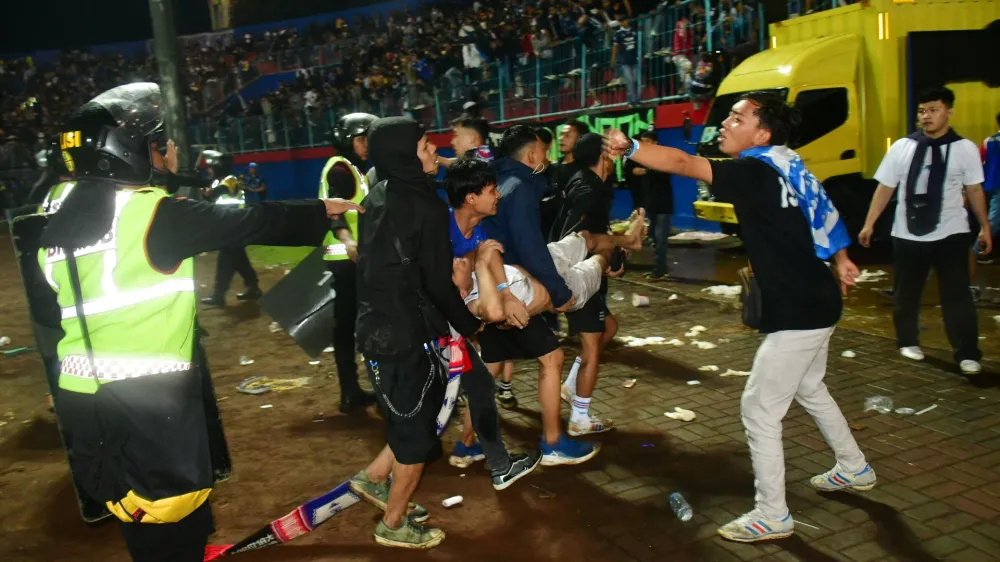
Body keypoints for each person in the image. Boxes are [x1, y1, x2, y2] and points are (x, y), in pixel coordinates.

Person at [37, 82, 363, 561]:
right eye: (160, 143)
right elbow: (251, 222)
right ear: (131, 152)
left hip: (85, 400)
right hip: (150, 402)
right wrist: (322, 211)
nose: (169, 151)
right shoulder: (152, 215)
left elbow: (50, 307)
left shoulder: (60, 215)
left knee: (135, 515)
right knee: (173, 520)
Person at [606, 91, 873, 542]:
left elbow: (684, 163)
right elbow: (823, 212)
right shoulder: (790, 164)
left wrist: (630, 147)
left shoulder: (754, 169)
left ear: (762, 133)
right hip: (818, 298)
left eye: (737, 117)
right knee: (809, 387)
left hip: (800, 310)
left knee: (759, 409)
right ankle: (854, 467)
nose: (726, 124)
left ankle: (773, 514)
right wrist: (841, 257)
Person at [349, 117, 482, 549]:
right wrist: (471, 325)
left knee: (415, 418)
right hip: (401, 335)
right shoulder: (422, 203)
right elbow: (439, 283)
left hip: (379, 326)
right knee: (416, 436)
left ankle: (372, 480)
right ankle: (393, 524)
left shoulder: (382, 194)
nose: (434, 152)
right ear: (406, 154)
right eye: (426, 146)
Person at [481, 125, 600, 466]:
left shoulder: (498, 182)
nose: (547, 158)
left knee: (487, 369)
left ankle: (468, 445)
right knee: (552, 359)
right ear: (532, 153)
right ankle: (552, 443)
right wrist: (558, 292)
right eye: (544, 151)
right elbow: (531, 249)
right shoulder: (519, 188)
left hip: (494, 289)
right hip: (514, 288)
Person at [858, 87, 990, 375]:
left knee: (957, 295)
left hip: (951, 232)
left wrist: (985, 228)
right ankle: (907, 341)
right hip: (907, 233)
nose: (926, 116)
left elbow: (975, 190)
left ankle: (967, 353)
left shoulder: (964, 148)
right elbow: (885, 188)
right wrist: (869, 223)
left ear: (949, 112)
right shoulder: (902, 147)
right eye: (921, 111)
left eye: (933, 110)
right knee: (906, 292)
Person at [552, 133, 621, 437]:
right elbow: (575, 234)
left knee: (609, 329)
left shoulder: (588, 183)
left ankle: (569, 386)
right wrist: (611, 256)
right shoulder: (589, 189)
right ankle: (579, 417)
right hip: (581, 276)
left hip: (586, 273)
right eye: (612, 149)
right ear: (603, 156)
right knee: (592, 347)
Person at [322, 112, 379, 413]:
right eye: (361, 139)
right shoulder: (342, 170)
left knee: (347, 326)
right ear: (347, 140)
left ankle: (351, 390)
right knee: (356, 326)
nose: (366, 144)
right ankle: (354, 390)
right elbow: (336, 211)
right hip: (348, 260)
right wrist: (347, 240)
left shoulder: (353, 169)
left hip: (349, 260)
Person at [199, 150, 262, 306]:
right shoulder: (219, 182)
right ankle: (252, 286)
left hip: (234, 226)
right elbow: (212, 199)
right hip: (230, 226)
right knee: (239, 259)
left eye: (212, 167)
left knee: (225, 260)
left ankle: (219, 294)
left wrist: (208, 194)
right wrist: (207, 195)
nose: (209, 169)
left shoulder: (230, 180)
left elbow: (220, 192)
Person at [625, 131, 673, 279]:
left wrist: (644, 171)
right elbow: (628, 169)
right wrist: (633, 170)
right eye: (643, 142)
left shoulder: (663, 156)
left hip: (663, 205)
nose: (645, 144)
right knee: (653, 238)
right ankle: (660, 268)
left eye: (648, 141)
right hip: (650, 205)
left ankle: (660, 270)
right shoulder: (641, 158)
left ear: (655, 142)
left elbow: (662, 172)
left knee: (660, 238)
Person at [611, 12, 640, 106]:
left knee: (635, 80)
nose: (623, 22)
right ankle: (632, 101)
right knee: (630, 80)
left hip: (635, 59)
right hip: (625, 60)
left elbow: (639, 45)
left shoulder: (634, 31)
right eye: (621, 21)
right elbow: (615, 47)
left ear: (627, 20)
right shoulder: (618, 34)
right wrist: (613, 59)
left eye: (624, 20)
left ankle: (635, 99)